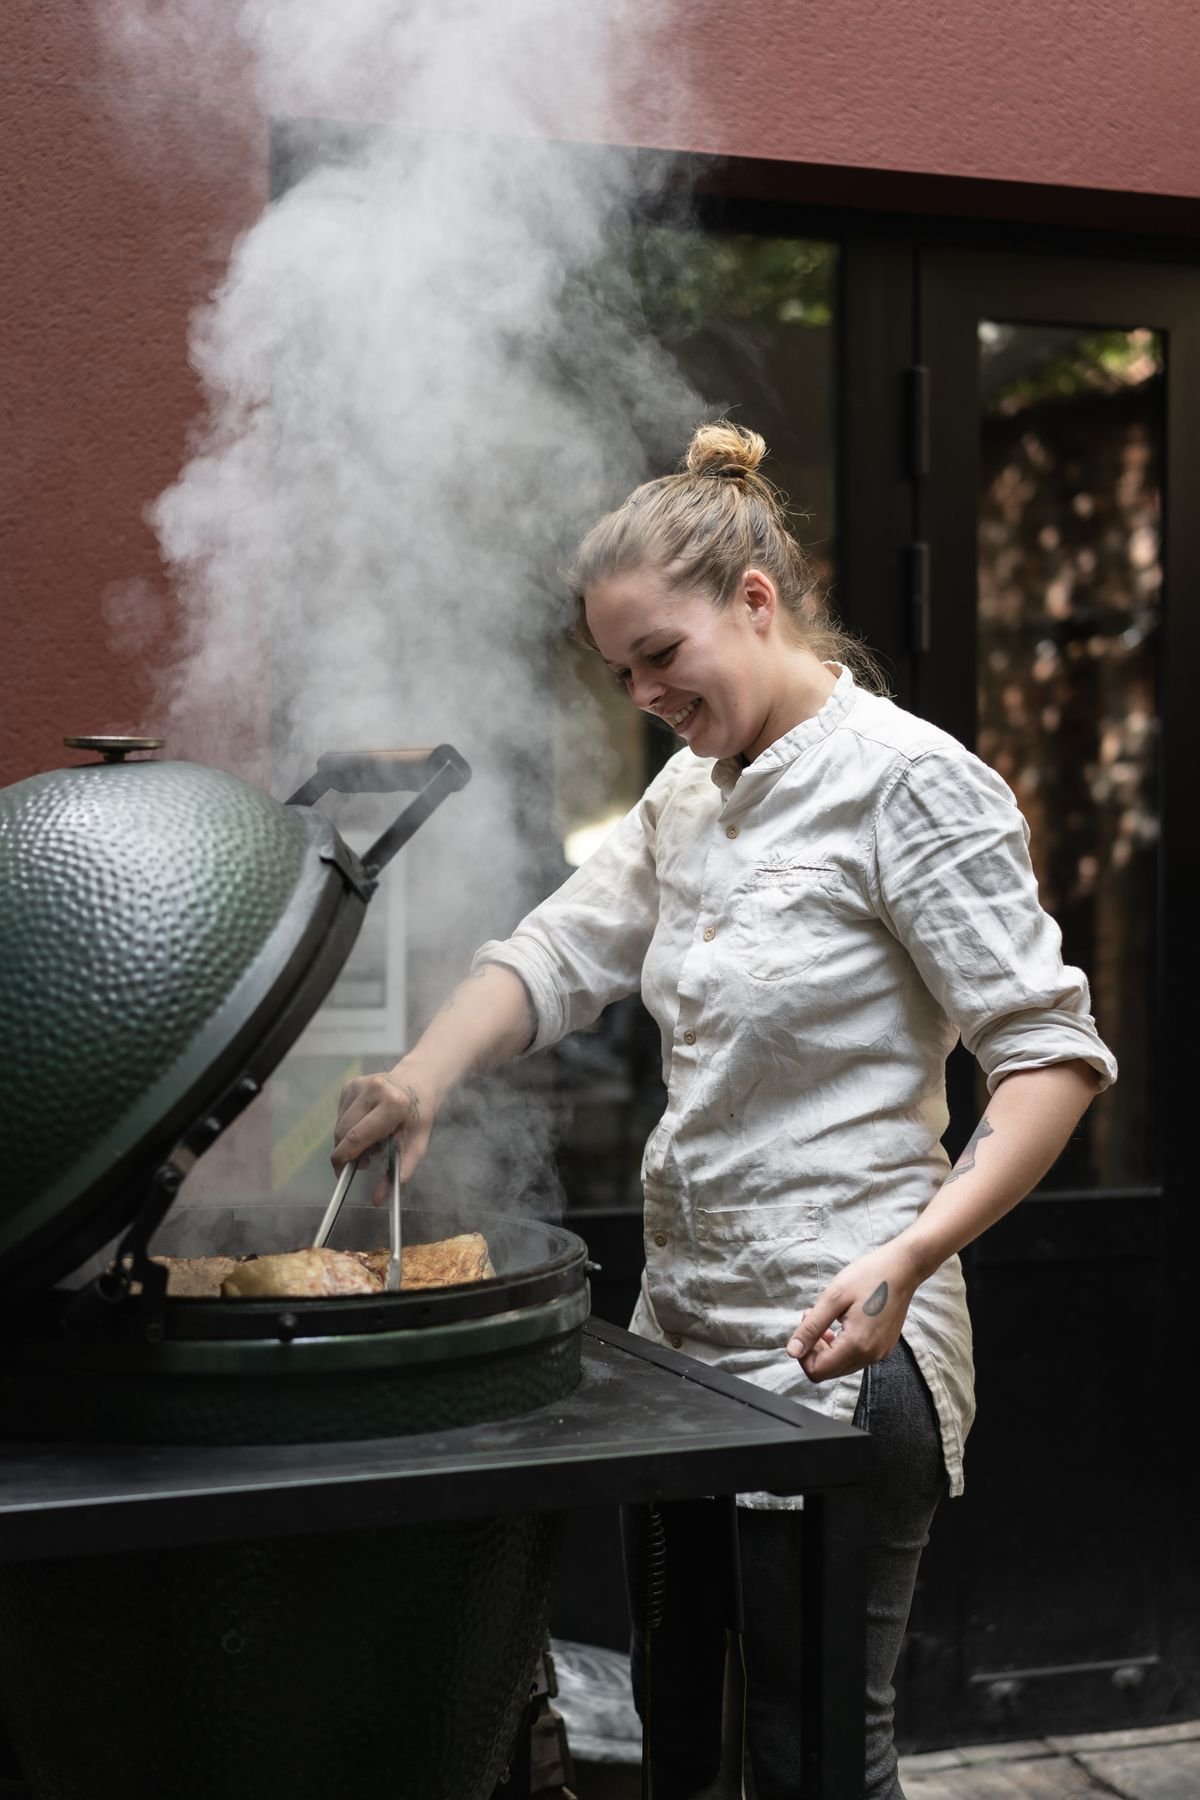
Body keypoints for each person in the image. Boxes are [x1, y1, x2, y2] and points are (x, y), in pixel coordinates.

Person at [331, 420, 1117, 1798]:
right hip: (682, 1355)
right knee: (681, 1741)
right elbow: (561, 952)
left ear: (757, 601)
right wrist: (419, 1077)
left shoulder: (907, 782)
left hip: (849, 1339)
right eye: (619, 669)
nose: (641, 692)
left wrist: (915, 1254)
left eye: (660, 656)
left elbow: (1047, 1054)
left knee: (811, 1758)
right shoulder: (690, 795)